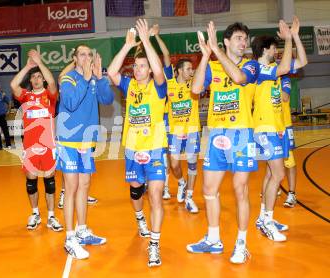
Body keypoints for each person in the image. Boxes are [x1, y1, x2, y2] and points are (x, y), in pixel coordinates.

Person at [186, 21, 287, 264]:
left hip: (241, 134)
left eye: (245, 39)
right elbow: (196, 88)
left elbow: (239, 77)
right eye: (239, 38)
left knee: (240, 190)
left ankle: (241, 244)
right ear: (228, 41)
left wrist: (217, 52)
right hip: (217, 134)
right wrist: (206, 55)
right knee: (209, 191)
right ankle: (213, 239)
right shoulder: (212, 65)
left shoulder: (251, 65)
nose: (244, 43)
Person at [108, 19, 167, 267]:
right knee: (135, 191)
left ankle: (154, 244)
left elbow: (160, 70)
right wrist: (128, 46)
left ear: (150, 70)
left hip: (154, 148)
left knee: (155, 195)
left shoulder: (158, 87)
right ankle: (140, 218)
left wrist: (146, 41)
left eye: (143, 66)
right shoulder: (130, 85)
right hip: (133, 149)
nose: (139, 69)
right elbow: (112, 73)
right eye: (137, 65)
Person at [251, 15, 307, 242]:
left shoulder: (275, 68)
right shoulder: (257, 69)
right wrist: (288, 40)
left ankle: (263, 216)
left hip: (277, 127)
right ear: (266, 49)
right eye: (274, 48)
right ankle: (267, 220)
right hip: (264, 127)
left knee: (271, 173)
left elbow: (302, 61)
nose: (276, 52)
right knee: (279, 174)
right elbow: (284, 66)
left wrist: (294, 36)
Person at [57, 44, 114, 259]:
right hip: (69, 142)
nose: (87, 57)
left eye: (90, 54)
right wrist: (86, 77)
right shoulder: (69, 79)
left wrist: (99, 79)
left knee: (85, 185)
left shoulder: (92, 79)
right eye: (82, 54)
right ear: (74, 58)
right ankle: (69, 237)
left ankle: (82, 230)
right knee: (70, 187)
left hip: (86, 142)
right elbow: (70, 103)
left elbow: (107, 100)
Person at [10, 49, 63, 232]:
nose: (37, 79)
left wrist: (40, 63)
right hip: (30, 147)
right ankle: (34, 213)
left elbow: (53, 83)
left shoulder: (49, 96)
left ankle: (51, 216)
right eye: (35, 77)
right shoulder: (25, 96)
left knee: (50, 182)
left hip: (48, 147)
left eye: (40, 77)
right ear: (31, 81)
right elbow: (13, 84)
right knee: (31, 182)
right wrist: (28, 67)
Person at [151, 24, 200, 212]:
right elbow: (164, 56)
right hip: (174, 130)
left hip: (193, 129)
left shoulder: (195, 84)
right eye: (188, 68)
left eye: (192, 68)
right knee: (174, 164)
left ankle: (190, 197)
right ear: (178, 70)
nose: (191, 71)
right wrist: (155, 37)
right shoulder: (169, 83)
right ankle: (181, 182)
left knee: (193, 162)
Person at [55, 61, 98, 210]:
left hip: (86, 132)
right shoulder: (67, 80)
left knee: (84, 170)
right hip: (68, 131)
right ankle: (64, 193)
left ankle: (83, 194)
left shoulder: (89, 80)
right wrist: (75, 63)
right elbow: (61, 76)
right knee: (69, 171)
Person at [281, 76, 299, 208]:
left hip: (284, 125)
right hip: (270, 125)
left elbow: (285, 97)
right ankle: (273, 187)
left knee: (289, 160)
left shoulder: (284, 79)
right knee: (272, 159)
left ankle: (292, 193)